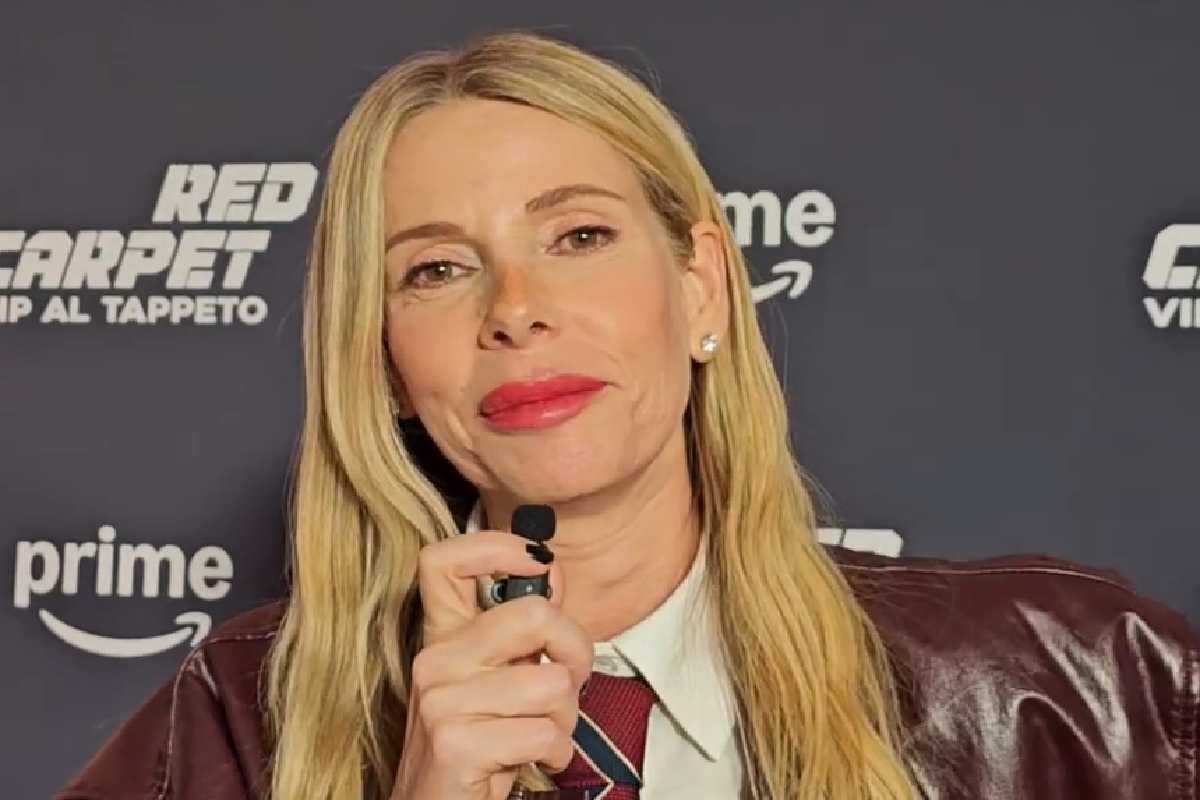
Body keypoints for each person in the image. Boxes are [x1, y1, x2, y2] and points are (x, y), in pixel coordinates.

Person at [56, 28, 1198, 800]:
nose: (515, 310)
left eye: (579, 236)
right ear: (383, 358)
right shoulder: (232, 726)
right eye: (437, 269)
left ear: (701, 287)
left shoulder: (1081, 685)